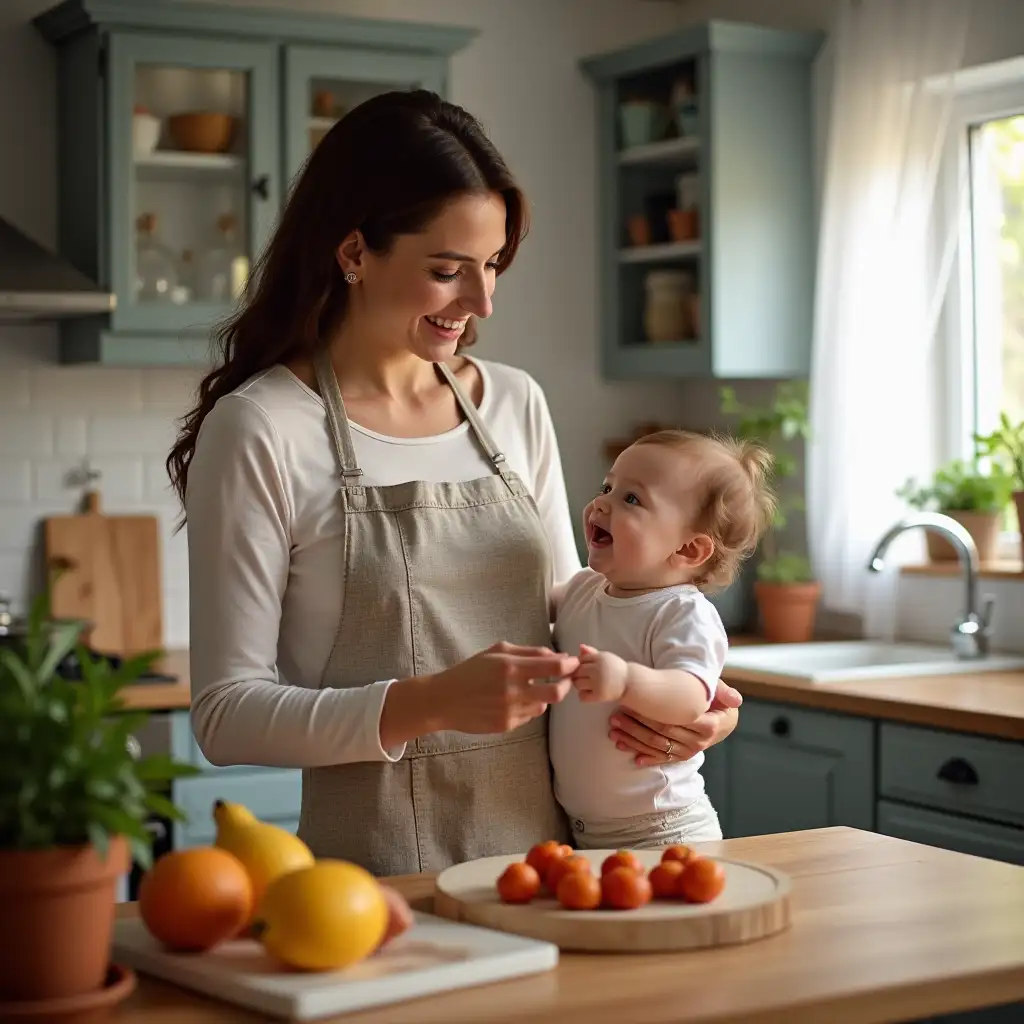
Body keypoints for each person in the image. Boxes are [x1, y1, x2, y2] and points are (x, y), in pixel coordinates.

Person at [166, 89, 743, 879]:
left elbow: (576, 605)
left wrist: (688, 702)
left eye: (494, 265)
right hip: (381, 881)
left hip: (549, 871)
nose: (482, 303)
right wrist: (431, 703)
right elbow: (226, 717)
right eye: (447, 271)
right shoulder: (262, 427)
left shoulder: (512, 402)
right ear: (355, 252)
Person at [551, 430, 774, 850]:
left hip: (664, 832)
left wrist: (625, 681)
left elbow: (691, 695)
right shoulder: (583, 588)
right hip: (585, 832)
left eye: (631, 499)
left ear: (689, 549)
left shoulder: (683, 613)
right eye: (607, 487)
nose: (602, 503)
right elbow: (517, 606)